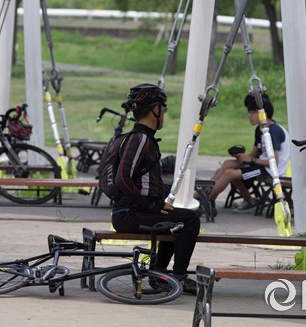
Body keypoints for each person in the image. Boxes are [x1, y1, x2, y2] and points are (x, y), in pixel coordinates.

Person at [111, 83, 201, 295]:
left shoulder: (144, 138)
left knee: (175, 219)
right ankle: (178, 276)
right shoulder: (140, 139)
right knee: (190, 220)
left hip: (133, 210)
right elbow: (122, 178)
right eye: (163, 108)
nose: (164, 114)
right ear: (155, 110)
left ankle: (159, 275)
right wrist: (149, 205)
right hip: (129, 214)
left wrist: (157, 201)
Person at [205, 93, 291, 215]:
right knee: (228, 164)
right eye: (249, 112)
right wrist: (242, 157)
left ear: (263, 113)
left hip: (270, 172)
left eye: (252, 113)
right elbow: (254, 154)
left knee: (230, 173)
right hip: (261, 166)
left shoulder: (274, 131)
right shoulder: (259, 130)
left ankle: (206, 199)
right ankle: (206, 193)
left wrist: (251, 160)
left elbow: (274, 163)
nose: (249, 116)